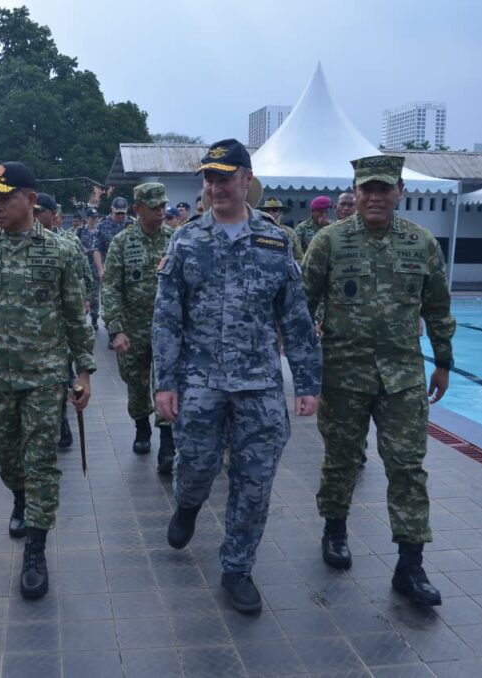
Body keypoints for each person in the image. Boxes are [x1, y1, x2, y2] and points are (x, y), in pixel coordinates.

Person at [153, 139, 321, 614]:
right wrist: (164, 382)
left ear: (247, 180)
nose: (215, 187)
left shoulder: (275, 241)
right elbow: (167, 317)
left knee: (255, 481)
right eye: (209, 178)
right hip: (200, 382)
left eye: (224, 178)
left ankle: (237, 568)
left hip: (259, 384)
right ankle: (188, 504)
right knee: (196, 467)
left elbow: (295, 316)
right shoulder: (186, 240)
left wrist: (307, 382)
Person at [301, 154, 455, 607]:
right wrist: (304, 370)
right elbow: (301, 305)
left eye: (383, 188)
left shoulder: (421, 243)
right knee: (341, 460)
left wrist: (443, 361)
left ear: (399, 191)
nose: (374, 197)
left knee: (408, 467)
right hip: (343, 375)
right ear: (356, 191)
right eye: (366, 188)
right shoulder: (329, 241)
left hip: (402, 378)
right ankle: (334, 530)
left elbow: (438, 307)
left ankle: (410, 565)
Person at [0, 161, 94, 600]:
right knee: (7, 459)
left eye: (5, 197)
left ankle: (36, 548)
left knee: (41, 460)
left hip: (45, 376)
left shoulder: (61, 251)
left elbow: (75, 315)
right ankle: (20, 496)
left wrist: (84, 371)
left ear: (30, 199)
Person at [101, 182, 176, 472]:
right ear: (137, 209)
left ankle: (167, 442)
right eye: (154, 207)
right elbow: (111, 287)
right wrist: (116, 329)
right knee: (136, 382)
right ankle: (142, 426)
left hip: (167, 328)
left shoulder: (175, 239)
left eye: (163, 206)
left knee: (167, 381)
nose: (161, 211)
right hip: (133, 328)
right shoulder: (122, 242)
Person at [35, 192, 94, 450]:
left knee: (60, 371)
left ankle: (61, 421)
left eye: (39, 211)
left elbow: (83, 274)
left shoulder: (68, 243)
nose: (34, 216)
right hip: (35, 326)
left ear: (53, 215)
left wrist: (85, 299)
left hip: (62, 319)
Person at [74, 207, 102, 329]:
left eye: (96, 218)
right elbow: (74, 244)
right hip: (82, 267)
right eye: (92, 218)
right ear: (87, 218)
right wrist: (82, 249)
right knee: (81, 293)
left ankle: (94, 318)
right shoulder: (80, 231)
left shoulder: (100, 231)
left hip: (95, 267)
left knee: (95, 295)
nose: (94, 220)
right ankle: (81, 318)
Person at [92, 197, 129, 280]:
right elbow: (96, 249)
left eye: (122, 213)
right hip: (109, 270)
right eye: (117, 213)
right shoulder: (102, 225)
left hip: (129, 270)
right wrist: (100, 270)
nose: (120, 216)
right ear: (112, 209)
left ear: (127, 210)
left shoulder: (132, 223)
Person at [259, 197, 304, 264]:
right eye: (267, 210)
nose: (270, 213)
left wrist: (290, 265)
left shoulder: (290, 233)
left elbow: (299, 257)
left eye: (274, 210)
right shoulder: (258, 231)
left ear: (281, 213)